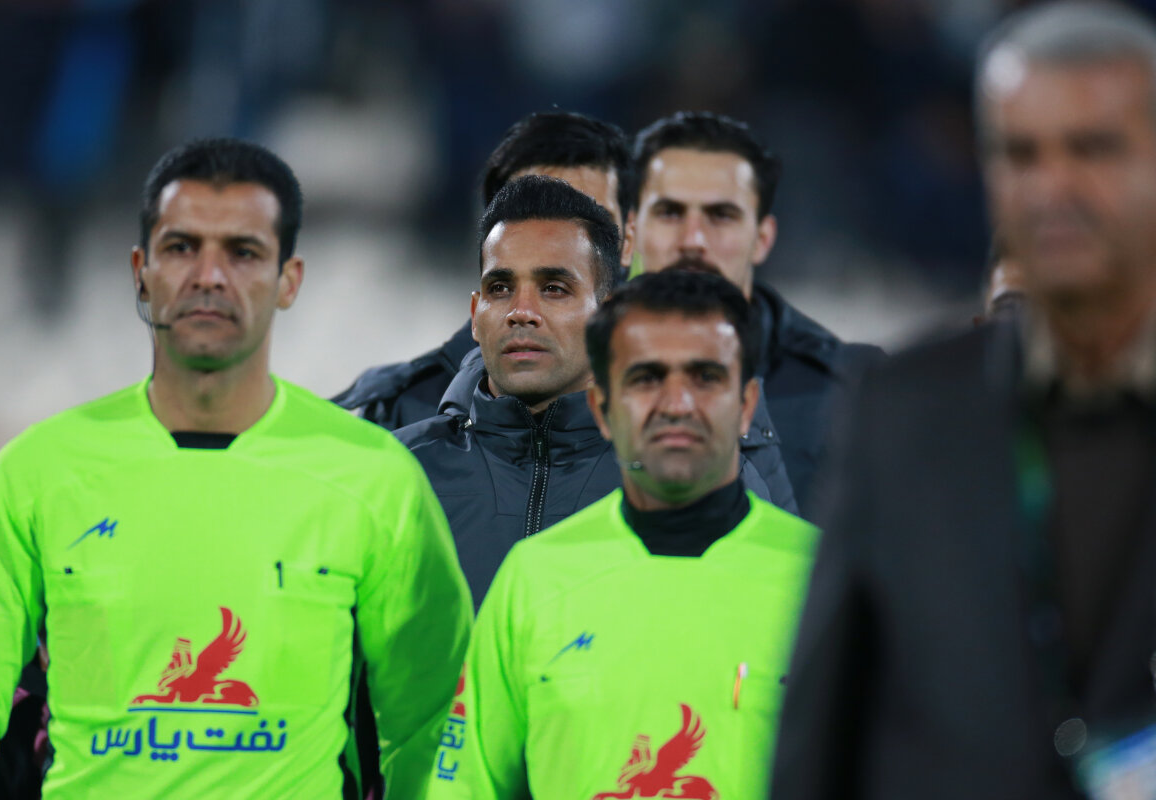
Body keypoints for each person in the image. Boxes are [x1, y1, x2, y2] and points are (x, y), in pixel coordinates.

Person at [0, 138, 471, 799]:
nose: (209, 275)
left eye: (243, 252)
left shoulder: (373, 480)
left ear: (288, 280)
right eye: (181, 247)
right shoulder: (36, 474)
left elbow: (432, 728)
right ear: (141, 271)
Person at [771, 4, 1156, 798]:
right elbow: (818, 746)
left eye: (1093, 148)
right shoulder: (901, 415)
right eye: (1021, 154)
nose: (1053, 186)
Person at [426, 269, 817, 799]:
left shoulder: (823, 579)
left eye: (705, 377)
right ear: (603, 410)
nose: (676, 404)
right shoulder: (534, 578)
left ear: (746, 406)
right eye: (646, 378)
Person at [397, 176, 793, 608]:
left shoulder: (691, 477)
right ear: (476, 315)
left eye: (554, 288)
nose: (521, 312)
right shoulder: (399, 473)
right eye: (501, 288)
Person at [630, 111, 882, 510]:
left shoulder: (852, 395)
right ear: (632, 231)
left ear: (763, 238)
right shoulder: (572, 378)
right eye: (670, 213)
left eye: (721, 215)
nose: (693, 240)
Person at [334, 110, 633, 430]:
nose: (555, 241)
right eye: (528, 215)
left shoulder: (665, 404)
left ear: (629, 242)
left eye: (593, 221)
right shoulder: (408, 409)